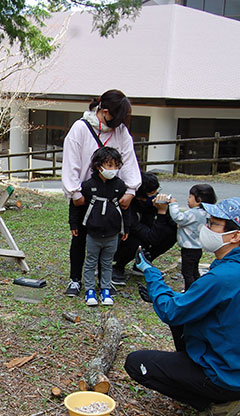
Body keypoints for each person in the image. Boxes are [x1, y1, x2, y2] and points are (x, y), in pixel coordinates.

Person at [124, 197, 240, 416]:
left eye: (213, 224)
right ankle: (214, 387)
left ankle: (218, 403)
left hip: (226, 376)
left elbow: (171, 311)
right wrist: (170, 295)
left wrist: (151, 273)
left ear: (235, 236)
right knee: (182, 314)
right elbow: (198, 302)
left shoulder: (223, 277)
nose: (206, 228)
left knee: (136, 363)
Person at [61, 90, 141, 297]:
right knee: (80, 237)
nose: (120, 123)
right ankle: (76, 279)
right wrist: (75, 192)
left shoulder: (121, 131)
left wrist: (131, 190)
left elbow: (129, 160)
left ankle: (103, 280)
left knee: (108, 238)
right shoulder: (80, 128)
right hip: (85, 193)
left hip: (112, 193)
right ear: (104, 111)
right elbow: (71, 162)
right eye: (117, 117)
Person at [71, 147, 130, 306]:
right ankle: (90, 289)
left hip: (112, 233)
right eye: (109, 165)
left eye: (116, 166)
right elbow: (75, 206)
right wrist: (74, 224)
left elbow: (126, 210)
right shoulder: (88, 185)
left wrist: (126, 228)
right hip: (93, 233)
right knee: (90, 261)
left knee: (107, 262)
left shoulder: (120, 186)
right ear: (99, 166)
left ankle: (105, 288)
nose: (113, 169)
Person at [112, 172, 177, 285]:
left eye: (157, 192)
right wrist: (161, 213)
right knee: (138, 241)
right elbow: (151, 238)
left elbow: (171, 224)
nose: (155, 196)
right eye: (152, 194)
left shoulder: (151, 203)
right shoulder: (128, 207)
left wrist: (170, 208)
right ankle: (118, 267)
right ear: (139, 196)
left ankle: (142, 263)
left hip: (144, 234)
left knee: (172, 231)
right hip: (120, 242)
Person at [168, 184, 217, 291]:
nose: (187, 199)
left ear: (199, 200)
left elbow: (178, 218)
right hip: (197, 248)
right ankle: (198, 289)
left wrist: (173, 204)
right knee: (194, 271)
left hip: (189, 249)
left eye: (190, 196)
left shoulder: (194, 213)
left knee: (187, 273)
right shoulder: (207, 213)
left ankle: (189, 292)